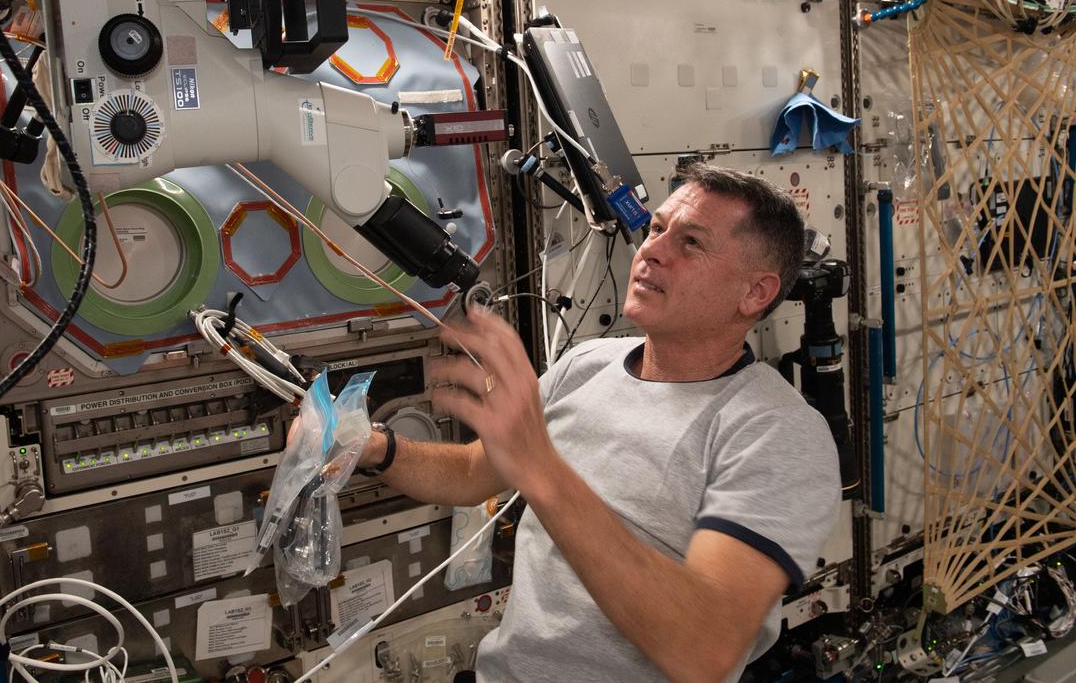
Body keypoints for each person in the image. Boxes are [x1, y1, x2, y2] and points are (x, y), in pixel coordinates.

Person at [357, 164, 841, 683]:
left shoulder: (776, 433)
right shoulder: (587, 365)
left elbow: (705, 649)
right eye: (656, 229)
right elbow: (473, 473)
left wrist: (542, 469)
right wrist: (370, 447)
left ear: (754, 293)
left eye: (692, 242)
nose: (651, 251)